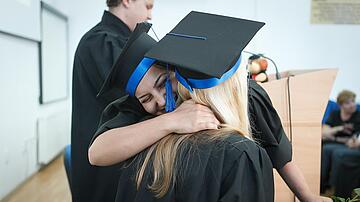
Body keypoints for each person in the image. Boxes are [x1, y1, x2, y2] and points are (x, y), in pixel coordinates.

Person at [90, 11, 331, 202]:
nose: (160, 101)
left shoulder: (240, 94)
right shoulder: (137, 106)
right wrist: (170, 121)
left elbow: (277, 148)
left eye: (163, 84)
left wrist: (307, 196)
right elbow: (98, 153)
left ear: (174, 67)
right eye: (146, 99)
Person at [71, 0, 153, 201]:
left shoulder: (119, 42)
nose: (150, 15)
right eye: (148, 6)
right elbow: (136, 99)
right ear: (127, 1)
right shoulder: (101, 42)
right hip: (104, 170)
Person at [321, 90, 360, 197]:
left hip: (350, 145)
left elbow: (354, 139)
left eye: (353, 101)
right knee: (325, 149)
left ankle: (333, 187)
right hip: (338, 143)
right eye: (348, 103)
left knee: (337, 153)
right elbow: (323, 133)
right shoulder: (335, 114)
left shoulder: (358, 115)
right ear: (340, 105)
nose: (352, 105)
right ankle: (322, 185)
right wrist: (340, 128)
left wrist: (333, 135)